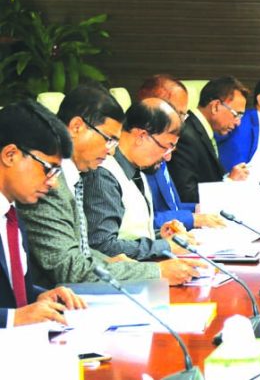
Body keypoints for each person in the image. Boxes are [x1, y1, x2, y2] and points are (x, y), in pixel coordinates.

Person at [18, 84, 205, 287]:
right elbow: (71, 265)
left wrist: (109, 261)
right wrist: (155, 270)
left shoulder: (76, 175)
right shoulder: (49, 184)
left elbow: (83, 250)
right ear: (77, 127)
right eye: (108, 140)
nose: (110, 151)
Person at [0, 100, 86, 328]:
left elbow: (12, 293)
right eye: (48, 169)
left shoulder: (12, 215)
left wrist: (39, 296)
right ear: (10, 155)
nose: (53, 183)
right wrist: (12, 319)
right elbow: (12, 312)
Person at [82, 99, 193, 260]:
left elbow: (127, 235)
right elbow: (102, 246)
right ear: (142, 136)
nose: (168, 157)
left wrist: (160, 236)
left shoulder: (137, 170)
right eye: (167, 147)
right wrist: (165, 246)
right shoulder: (103, 174)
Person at [137, 75, 224, 230]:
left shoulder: (163, 147)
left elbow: (173, 207)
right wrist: (192, 218)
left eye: (184, 115)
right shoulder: (141, 155)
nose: (181, 122)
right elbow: (142, 221)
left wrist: (199, 209)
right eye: (178, 114)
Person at [168, 76, 250, 203]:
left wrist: (229, 178)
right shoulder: (186, 135)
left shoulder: (203, 131)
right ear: (215, 106)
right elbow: (185, 195)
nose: (238, 122)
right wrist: (229, 182)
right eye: (236, 114)